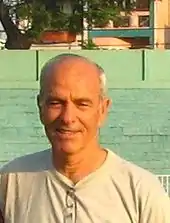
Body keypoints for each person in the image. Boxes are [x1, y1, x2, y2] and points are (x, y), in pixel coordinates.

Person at [0, 53, 170, 223]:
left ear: (102, 110)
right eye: (55, 103)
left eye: (82, 104)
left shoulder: (142, 191)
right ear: (40, 107)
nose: (68, 117)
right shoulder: (11, 183)